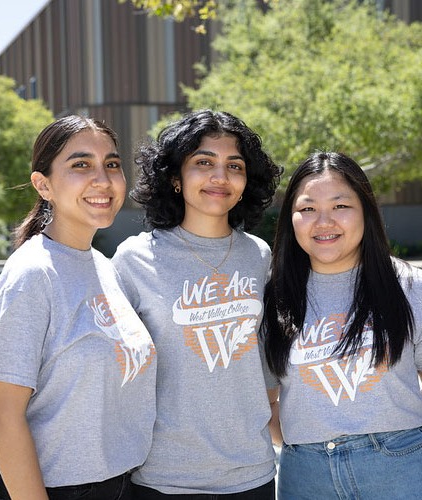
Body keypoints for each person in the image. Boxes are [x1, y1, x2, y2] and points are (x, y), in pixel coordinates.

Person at [0, 115, 157, 500]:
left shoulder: (104, 268)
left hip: (122, 485)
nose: (102, 179)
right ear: (44, 185)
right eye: (80, 165)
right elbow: (3, 416)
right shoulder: (33, 274)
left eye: (112, 164)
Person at [111, 109, 282, 499]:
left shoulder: (258, 255)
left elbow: (262, 360)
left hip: (250, 474)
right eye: (203, 162)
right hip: (162, 477)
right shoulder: (132, 260)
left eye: (234, 165)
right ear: (174, 177)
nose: (220, 176)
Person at [262, 151, 422, 499]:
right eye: (307, 209)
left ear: (366, 210)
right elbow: (269, 398)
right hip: (305, 475)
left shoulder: (410, 286)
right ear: (290, 217)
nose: (323, 222)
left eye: (340, 206)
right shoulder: (273, 297)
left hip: (400, 468)